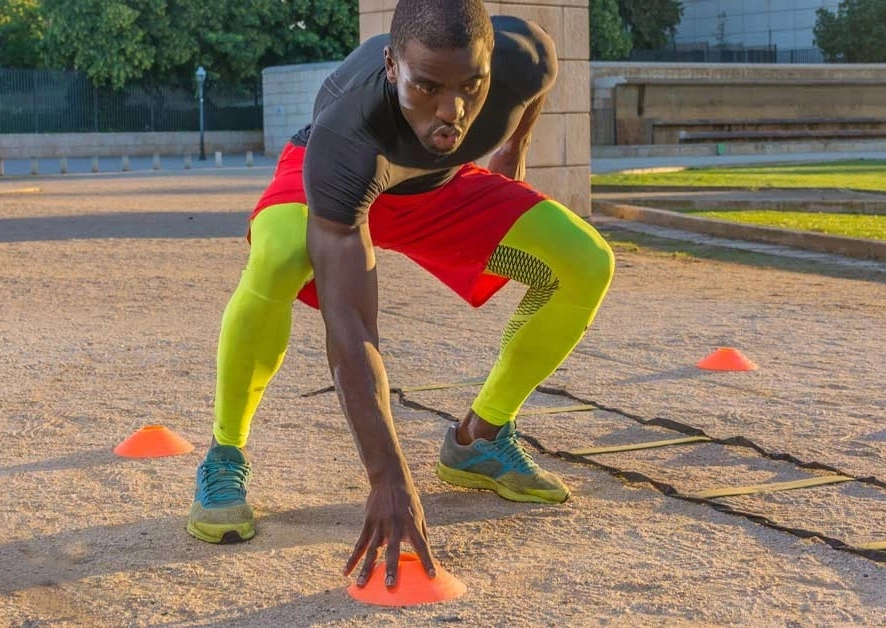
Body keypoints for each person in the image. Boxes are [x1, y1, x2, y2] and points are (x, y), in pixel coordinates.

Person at [185, 0, 614, 588]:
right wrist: (388, 477)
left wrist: (513, 148)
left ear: (492, 62)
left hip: (436, 187)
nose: (452, 109)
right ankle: (225, 455)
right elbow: (351, 328)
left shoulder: (522, 59)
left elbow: (540, 75)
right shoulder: (347, 133)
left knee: (586, 263)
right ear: (392, 67)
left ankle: (480, 441)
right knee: (280, 258)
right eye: (428, 86)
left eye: (471, 85)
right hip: (336, 181)